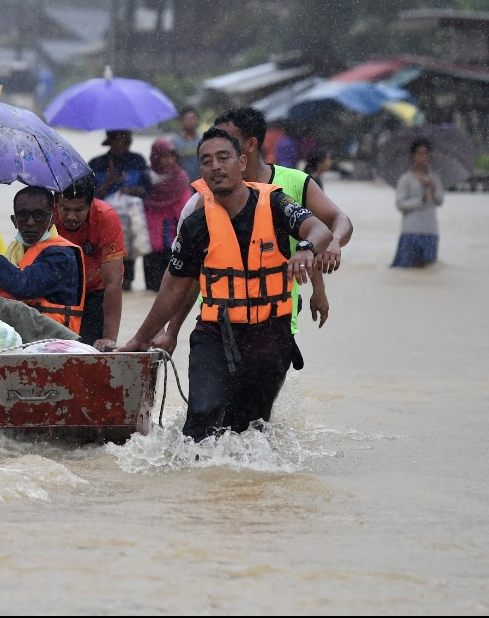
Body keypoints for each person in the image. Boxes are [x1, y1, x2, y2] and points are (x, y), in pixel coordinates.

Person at [120, 128, 336, 441]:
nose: (216, 167)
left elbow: (320, 230)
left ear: (242, 162)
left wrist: (305, 248)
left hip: (269, 334)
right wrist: (142, 338)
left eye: (224, 158)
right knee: (201, 418)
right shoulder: (196, 224)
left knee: (248, 430)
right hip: (214, 332)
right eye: (206, 161)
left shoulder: (276, 203)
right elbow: (173, 288)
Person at [152, 106, 355, 356]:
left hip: (275, 319)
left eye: (227, 139)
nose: (218, 145)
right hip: (216, 322)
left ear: (250, 145)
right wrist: (170, 331)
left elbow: (331, 225)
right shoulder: (203, 199)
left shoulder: (294, 183)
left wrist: (331, 246)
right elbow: (184, 275)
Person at [0, 185, 85, 335]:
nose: (30, 222)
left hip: (54, 340)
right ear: (14, 220)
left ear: (52, 219)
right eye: (23, 215)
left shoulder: (63, 255)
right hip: (20, 337)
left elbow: (23, 286)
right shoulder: (16, 250)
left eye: (39, 215)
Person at [53, 175, 125, 349]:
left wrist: (109, 337)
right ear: (55, 203)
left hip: (94, 291)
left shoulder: (106, 217)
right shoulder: (46, 213)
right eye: (65, 208)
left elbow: (113, 282)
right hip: (56, 290)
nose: (71, 216)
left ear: (91, 204)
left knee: (87, 349)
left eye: (79, 209)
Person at [90, 129, 152, 291]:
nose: (124, 144)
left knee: (128, 252)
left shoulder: (137, 161)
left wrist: (129, 190)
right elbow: (89, 196)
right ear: (110, 141)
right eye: (119, 140)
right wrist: (109, 182)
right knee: (105, 253)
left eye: (126, 140)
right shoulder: (97, 164)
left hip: (131, 219)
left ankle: (127, 281)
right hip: (104, 219)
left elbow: (147, 189)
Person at [142, 138, 192, 293]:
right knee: (152, 288)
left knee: (170, 283)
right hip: (150, 232)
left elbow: (186, 205)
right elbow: (140, 200)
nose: (168, 160)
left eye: (171, 156)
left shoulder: (180, 177)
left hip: (171, 230)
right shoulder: (146, 176)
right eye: (164, 156)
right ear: (155, 156)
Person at [392, 138, 444, 268]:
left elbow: (440, 201)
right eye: (420, 154)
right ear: (413, 156)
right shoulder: (406, 179)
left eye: (426, 153)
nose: (423, 157)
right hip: (411, 231)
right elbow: (400, 204)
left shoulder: (434, 178)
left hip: (430, 231)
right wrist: (421, 200)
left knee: (428, 270)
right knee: (405, 269)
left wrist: (432, 186)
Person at [172, 107, 202, 183]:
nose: (191, 122)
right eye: (187, 119)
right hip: (183, 183)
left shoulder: (203, 140)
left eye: (193, 118)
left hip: (202, 183)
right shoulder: (174, 143)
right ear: (181, 122)